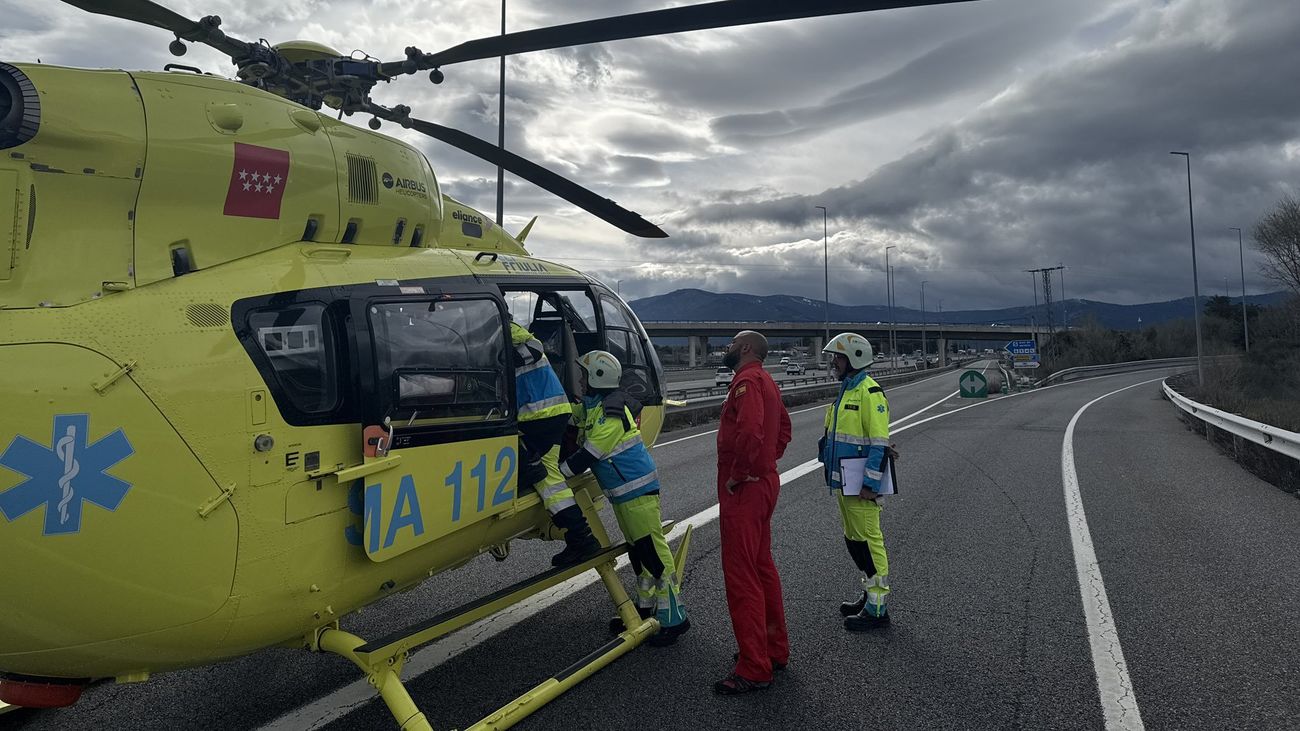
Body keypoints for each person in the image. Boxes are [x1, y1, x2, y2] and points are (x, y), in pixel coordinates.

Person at [559, 350, 690, 647]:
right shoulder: (595, 407)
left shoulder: (610, 416)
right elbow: (572, 413)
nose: (580, 379)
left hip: (637, 493)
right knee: (638, 553)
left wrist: (553, 475)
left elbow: (587, 456)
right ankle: (644, 609)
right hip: (625, 494)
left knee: (654, 555)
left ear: (596, 379)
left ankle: (676, 618)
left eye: (584, 375)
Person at [714, 330, 791, 695]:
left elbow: (748, 430)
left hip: (744, 490)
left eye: (731, 342)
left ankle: (754, 667)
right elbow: (784, 430)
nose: (727, 348)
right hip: (763, 484)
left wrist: (741, 473)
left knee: (742, 576)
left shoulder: (746, 380)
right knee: (762, 569)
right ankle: (773, 651)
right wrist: (766, 464)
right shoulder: (767, 381)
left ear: (745, 348)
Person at [818, 332, 893, 631]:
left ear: (854, 359)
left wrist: (871, 484)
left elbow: (879, 443)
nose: (834, 362)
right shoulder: (846, 391)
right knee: (854, 540)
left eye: (837, 357)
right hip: (844, 483)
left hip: (861, 486)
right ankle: (868, 592)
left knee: (871, 541)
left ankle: (878, 608)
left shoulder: (869, 392)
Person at [510, 320, 600, 567]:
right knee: (549, 479)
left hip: (540, 416)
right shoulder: (509, 332)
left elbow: (528, 350)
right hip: (545, 414)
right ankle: (580, 538)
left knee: (540, 474)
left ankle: (582, 538)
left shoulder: (511, 334)